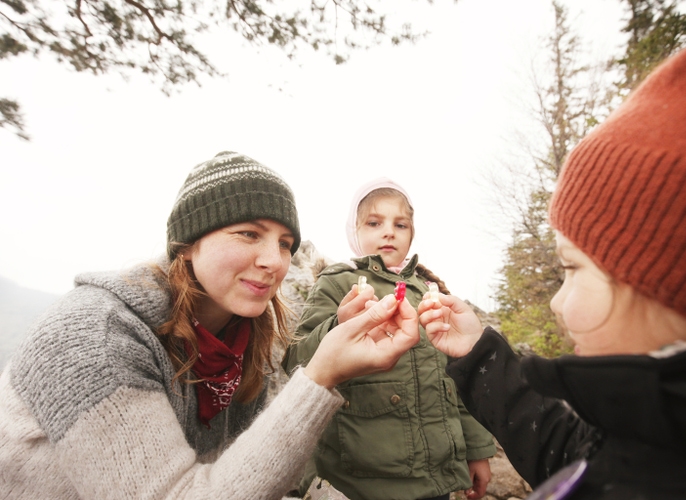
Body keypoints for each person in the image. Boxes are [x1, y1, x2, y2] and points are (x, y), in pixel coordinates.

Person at [418, 4, 686, 499]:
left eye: (572, 268)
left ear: (675, 286)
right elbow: (574, 453)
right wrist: (478, 354)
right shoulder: (661, 443)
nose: (556, 301)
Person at [0, 151, 420, 499]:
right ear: (187, 245)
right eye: (248, 234)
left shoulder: (240, 342)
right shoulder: (96, 340)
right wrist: (320, 377)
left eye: (285, 244)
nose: (274, 262)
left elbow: (238, 469)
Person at [283, 179, 496, 500]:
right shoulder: (337, 283)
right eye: (374, 222)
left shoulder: (430, 291)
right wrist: (338, 325)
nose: (388, 232)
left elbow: (457, 378)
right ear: (353, 231)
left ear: (412, 233)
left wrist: (477, 449)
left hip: (435, 480)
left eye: (400, 224)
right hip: (360, 480)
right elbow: (296, 361)